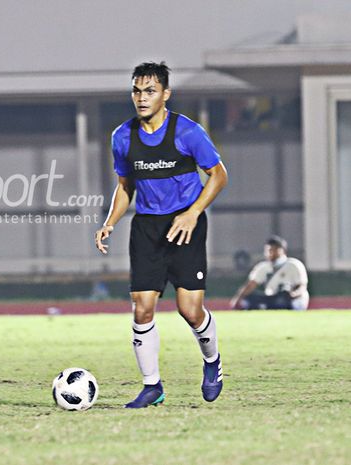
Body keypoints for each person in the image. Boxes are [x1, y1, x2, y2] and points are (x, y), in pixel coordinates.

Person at [94, 61, 228, 408]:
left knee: (190, 310)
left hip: (185, 225)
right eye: (137, 91)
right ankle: (152, 386)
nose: (141, 97)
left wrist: (193, 213)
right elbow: (125, 186)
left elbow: (218, 175)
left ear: (165, 94)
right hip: (147, 227)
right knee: (142, 308)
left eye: (150, 91)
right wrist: (110, 222)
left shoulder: (188, 132)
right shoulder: (122, 136)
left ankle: (212, 361)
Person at [230, 236, 310, 311]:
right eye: (268, 251)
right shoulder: (263, 266)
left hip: (292, 299)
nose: (270, 253)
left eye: (273, 250)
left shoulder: (294, 265)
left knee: (283, 297)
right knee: (249, 299)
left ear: (282, 250)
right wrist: (238, 299)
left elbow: (302, 286)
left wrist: (293, 295)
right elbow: (250, 285)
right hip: (272, 298)